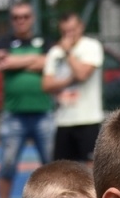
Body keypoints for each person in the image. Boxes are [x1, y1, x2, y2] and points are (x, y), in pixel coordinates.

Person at [0, 3, 51, 198]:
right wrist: (33, 61)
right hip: (14, 115)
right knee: (7, 164)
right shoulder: (4, 42)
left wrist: (16, 63)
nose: (21, 20)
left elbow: (49, 62)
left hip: (43, 113)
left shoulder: (44, 41)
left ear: (32, 18)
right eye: (16, 17)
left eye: (25, 16)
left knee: (50, 165)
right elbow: (2, 63)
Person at [43, 13, 106, 163]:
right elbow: (46, 85)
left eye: (73, 30)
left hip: (88, 119)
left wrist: (68, 53)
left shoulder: (91, 47)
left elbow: (82, 74)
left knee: (92, 168)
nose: (69, 35)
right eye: (65, 31)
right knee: (62, 170)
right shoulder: (54, 52)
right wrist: (69, 79)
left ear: (81, 27)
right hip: (63, 120)